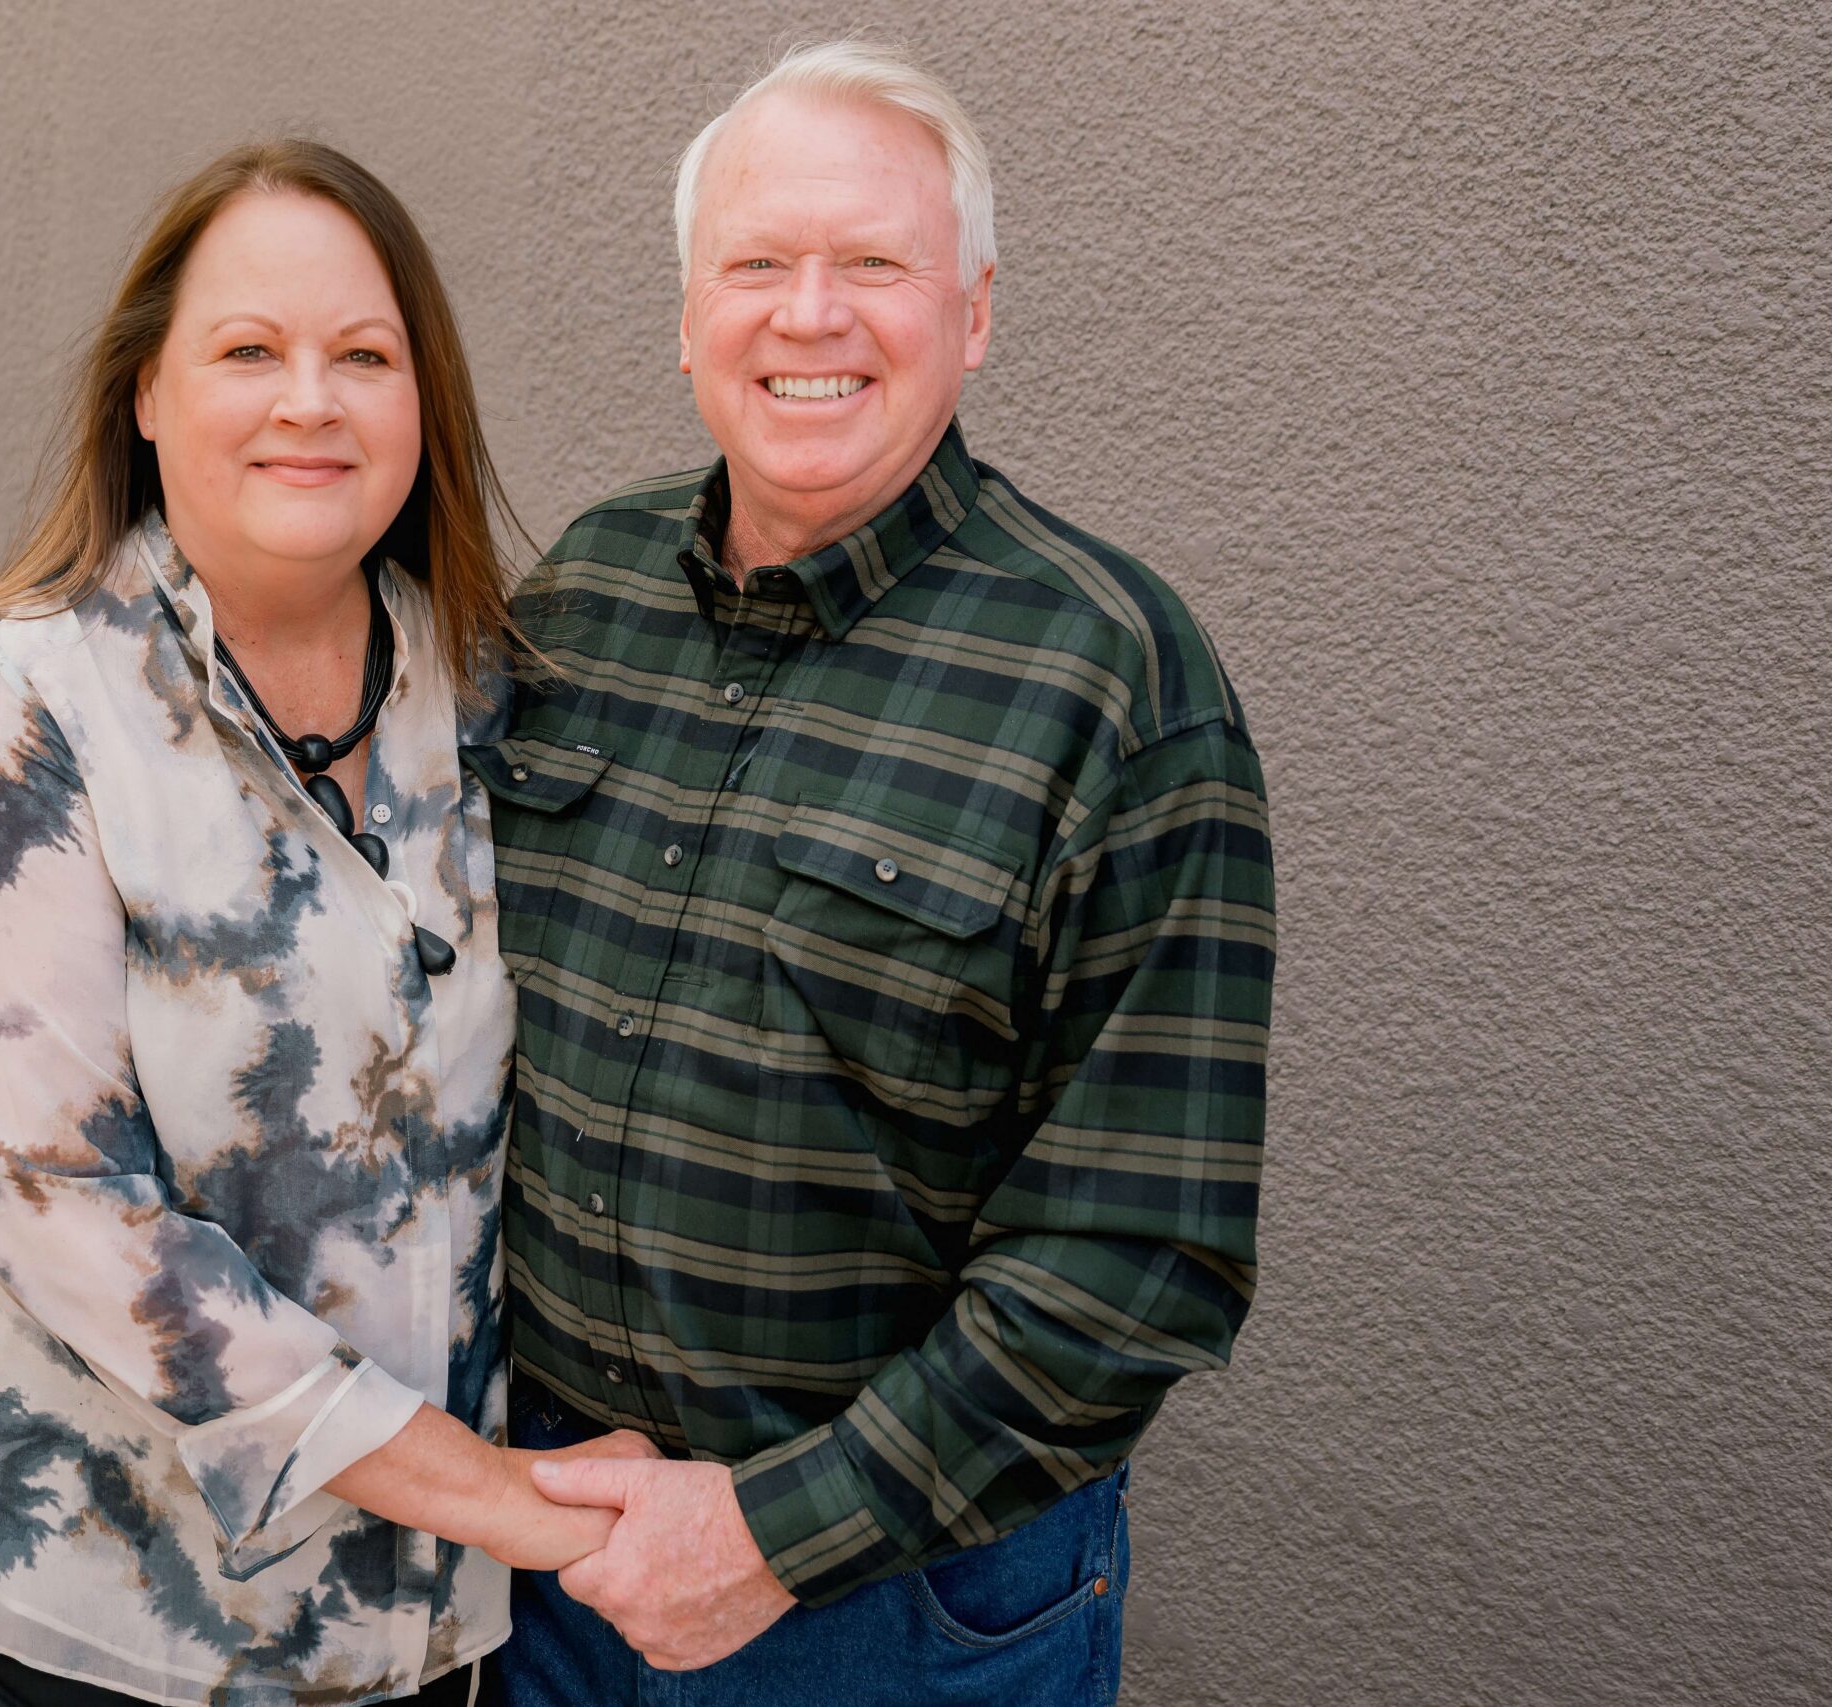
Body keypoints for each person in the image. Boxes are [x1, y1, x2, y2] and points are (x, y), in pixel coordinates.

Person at [473, 41, 1277, 1707]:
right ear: (690, 315)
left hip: (892, 1610)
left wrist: (767, 1536)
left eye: (875, 264)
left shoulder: (1114, 684)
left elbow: (1138, 1258)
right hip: (548, 1544)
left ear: (972, 315)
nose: (809, 313)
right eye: (757, 264)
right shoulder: (581, 599)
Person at [0, 140, 650, 1707]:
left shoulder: (494, 688)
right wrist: (489, 1491)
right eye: (249, 351)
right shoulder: (17, 701)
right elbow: (60, 1202)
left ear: (422, 405)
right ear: (146, 393)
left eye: (364, 356)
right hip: (122, 1612)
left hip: (429, 1622)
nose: (312, 399)